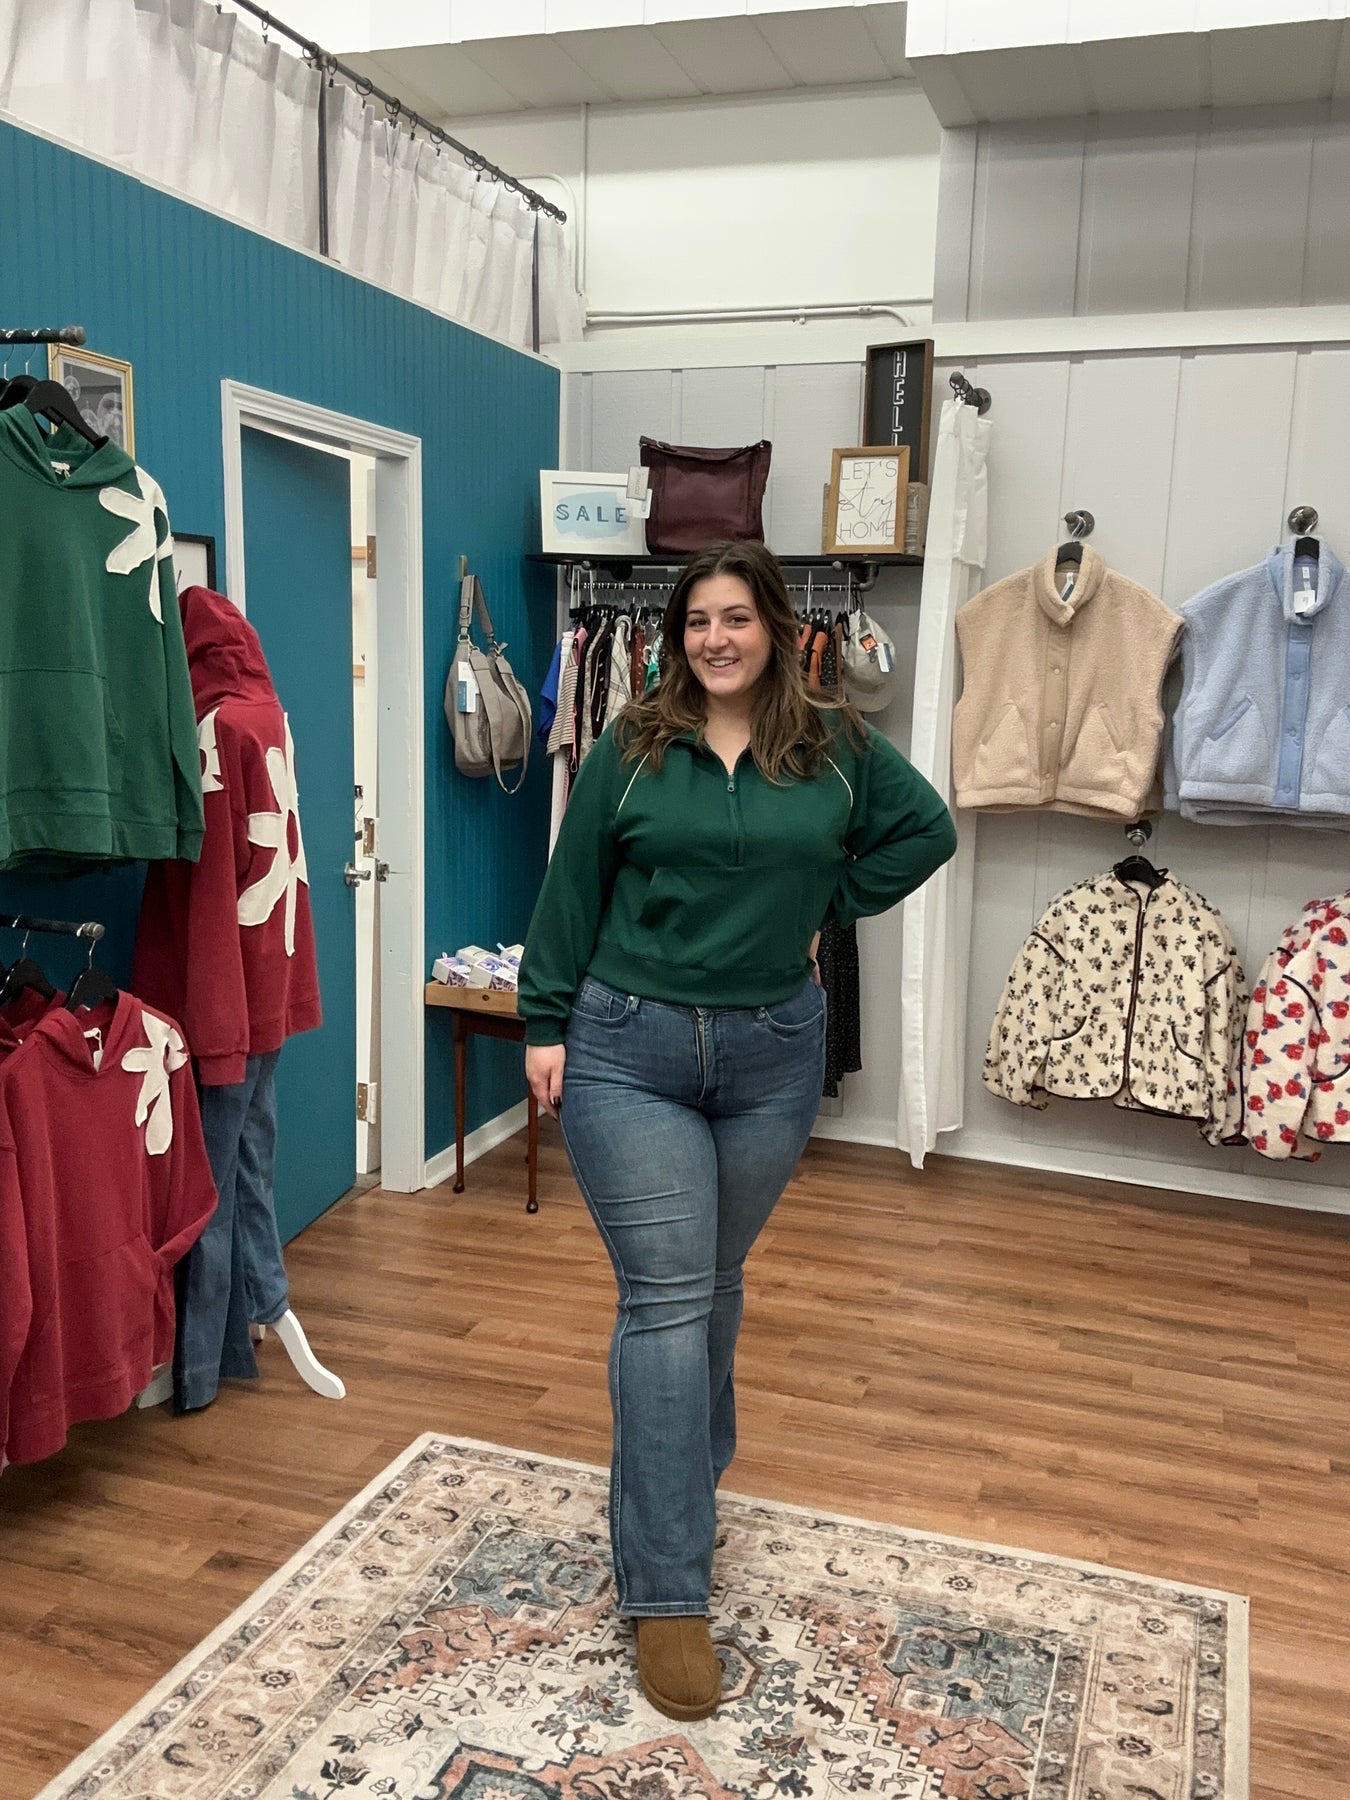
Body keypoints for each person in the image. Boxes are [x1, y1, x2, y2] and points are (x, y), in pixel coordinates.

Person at [518, 540, 956, 1722]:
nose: (716, 639)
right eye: (697, 621)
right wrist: (543, 1022)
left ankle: (677, 1481)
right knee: (667, 1297)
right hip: (628, 1047)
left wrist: (828, 901)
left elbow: (928, 832)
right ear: (677, 638)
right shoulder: (630, 746)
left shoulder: (835, 746)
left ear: (777, 629)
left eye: (736, 618)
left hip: (772, 1055)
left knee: (711, 1284)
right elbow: (570, 887)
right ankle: (669, 1590)